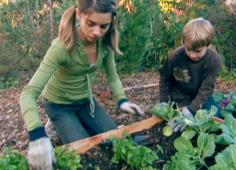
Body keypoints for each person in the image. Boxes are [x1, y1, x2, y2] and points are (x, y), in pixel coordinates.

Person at [20, 0, 144, 169]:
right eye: (91, 24)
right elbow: (28, 93)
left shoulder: (105, 44)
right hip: (59, 106)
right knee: (85, 155)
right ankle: (60, 126)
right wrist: (37, 135)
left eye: (103, 26)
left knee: (117, 139)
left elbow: (113, 77)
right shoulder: (62, 47)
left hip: (86, 103)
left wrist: (122, 100)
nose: (97, 32)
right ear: (79, 13)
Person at [159, 17, 222, 132]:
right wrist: (163, 102)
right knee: (173, 123)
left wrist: (191, 110)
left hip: (200, 96)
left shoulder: (214, 60)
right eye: (188, 50)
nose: (192, 55)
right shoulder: (175, 56)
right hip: (179, 96)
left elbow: (206, 89)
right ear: (183, 42)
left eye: (197, 51)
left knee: (216, 117)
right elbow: (164, 78)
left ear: (208, 45)